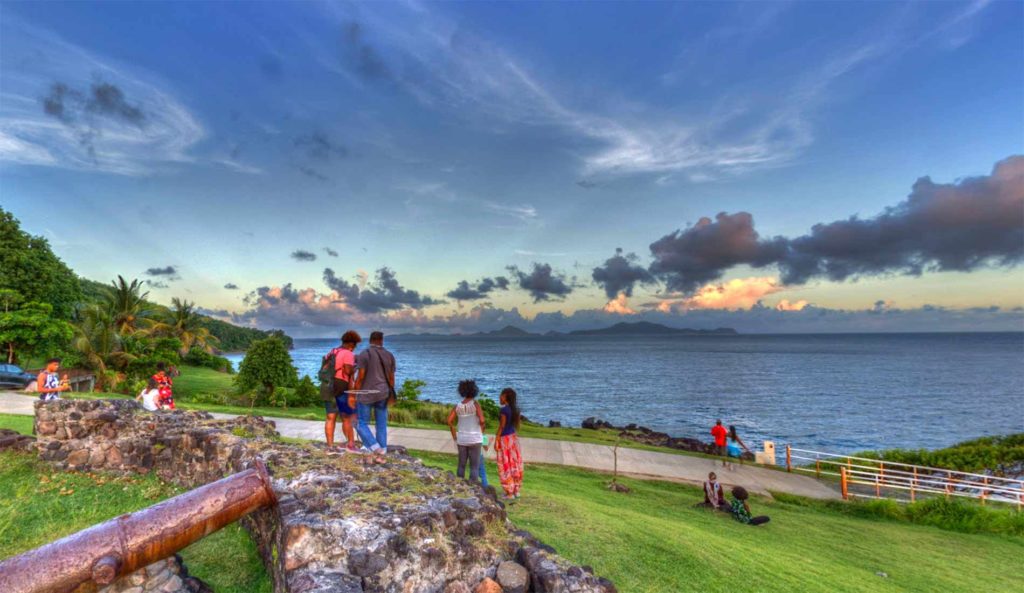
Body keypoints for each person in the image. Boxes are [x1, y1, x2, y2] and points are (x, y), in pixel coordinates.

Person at [354, 331, 395, 464]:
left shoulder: (364, 354)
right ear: (381, 340)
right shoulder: (389, 355)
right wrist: (389, 392)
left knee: (360, 422)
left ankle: (374, 447)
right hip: (383, 392)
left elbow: (360, 376)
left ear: (370, 340)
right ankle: (382, 449)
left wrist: (355, 392)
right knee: (381, 423)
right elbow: (391, 378)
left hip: (367, 393)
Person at [320, 331, 360, 450]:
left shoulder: (331, 352)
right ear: (352, 344)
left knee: (330, 417)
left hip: (327, 386)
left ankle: (330, 446)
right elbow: (348, 371)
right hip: (341, 386)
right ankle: (351, 444)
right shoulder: (348, 353)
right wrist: (355, 367)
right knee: (347, 417)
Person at [447, 380, 486, 483]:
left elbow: (449, 421)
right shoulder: (475, 404)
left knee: (461, 465)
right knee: (474, 466)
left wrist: (454, 434)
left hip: (462, 438)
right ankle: (472, 487)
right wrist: (481, 427)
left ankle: (460, 485)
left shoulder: (457, 406)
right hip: (475, 439)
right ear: (474, 390)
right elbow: (482, 420)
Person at [495, 387, 524, 499]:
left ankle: (509, 492)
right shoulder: (514, 409)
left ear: (505, 397)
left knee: (505, 464)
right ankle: (516, 490)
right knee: (514, 463)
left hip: (505, 439)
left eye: (501, 395)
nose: (499, 397)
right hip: (513, 438)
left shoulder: (504, 410)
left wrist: (497, 438)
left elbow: (502, 426)